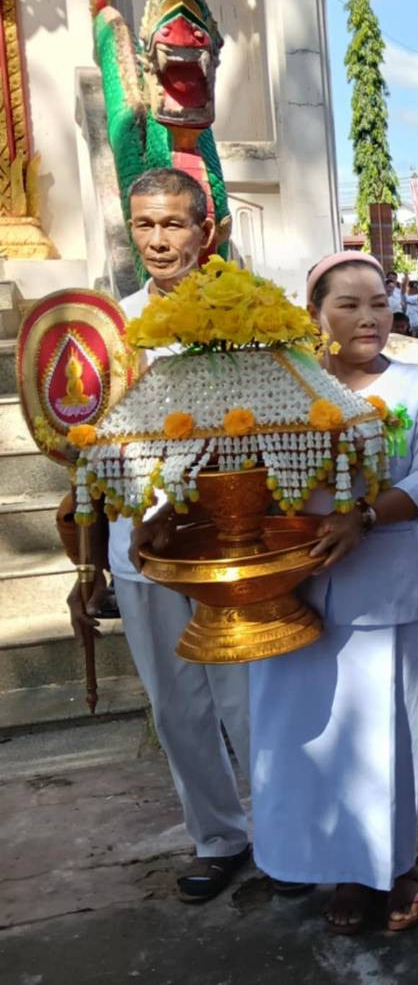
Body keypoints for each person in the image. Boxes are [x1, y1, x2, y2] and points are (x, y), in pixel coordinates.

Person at [245, 251, 418, 935]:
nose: (368, 318)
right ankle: (335, 869)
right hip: (292, 584)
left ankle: (392, 866)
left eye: (379, 302)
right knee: (306, 734)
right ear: (316, 316)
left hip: (379, 586)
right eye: (349, 305)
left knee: (381, 735)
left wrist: (364, 515)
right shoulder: (284, 386)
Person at [68, 167, 252, 904]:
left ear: (207, 231)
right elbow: (83, 452)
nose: (158, 240)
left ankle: (284, 834)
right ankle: (217, 837)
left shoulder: (246, 315)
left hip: (228, 543)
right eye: (144, 225)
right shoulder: (111, 330)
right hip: (137, 551)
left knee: (246, 701)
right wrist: (88, 567)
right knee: (176, 707)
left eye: (173, 224)